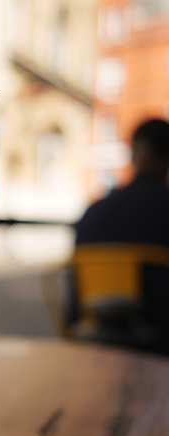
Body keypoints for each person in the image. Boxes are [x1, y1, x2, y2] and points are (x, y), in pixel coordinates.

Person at [73, 118, 169, 354]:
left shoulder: (93, 212)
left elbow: (73, 292)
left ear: (133, 152)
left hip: (94, 335)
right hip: (159, 345)